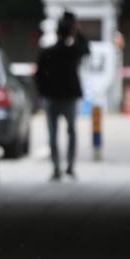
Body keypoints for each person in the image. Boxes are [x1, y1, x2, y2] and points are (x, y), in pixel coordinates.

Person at [35, 14, 90, 181]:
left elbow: (38, 76)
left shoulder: (48, 52)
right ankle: (70, 166)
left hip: (52, 97)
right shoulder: (71, 52)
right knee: (71, 131)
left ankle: (56, 166)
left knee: (53, 134)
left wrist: (43, 92)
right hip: (68, 97)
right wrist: (77, 30)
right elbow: (86, 49)